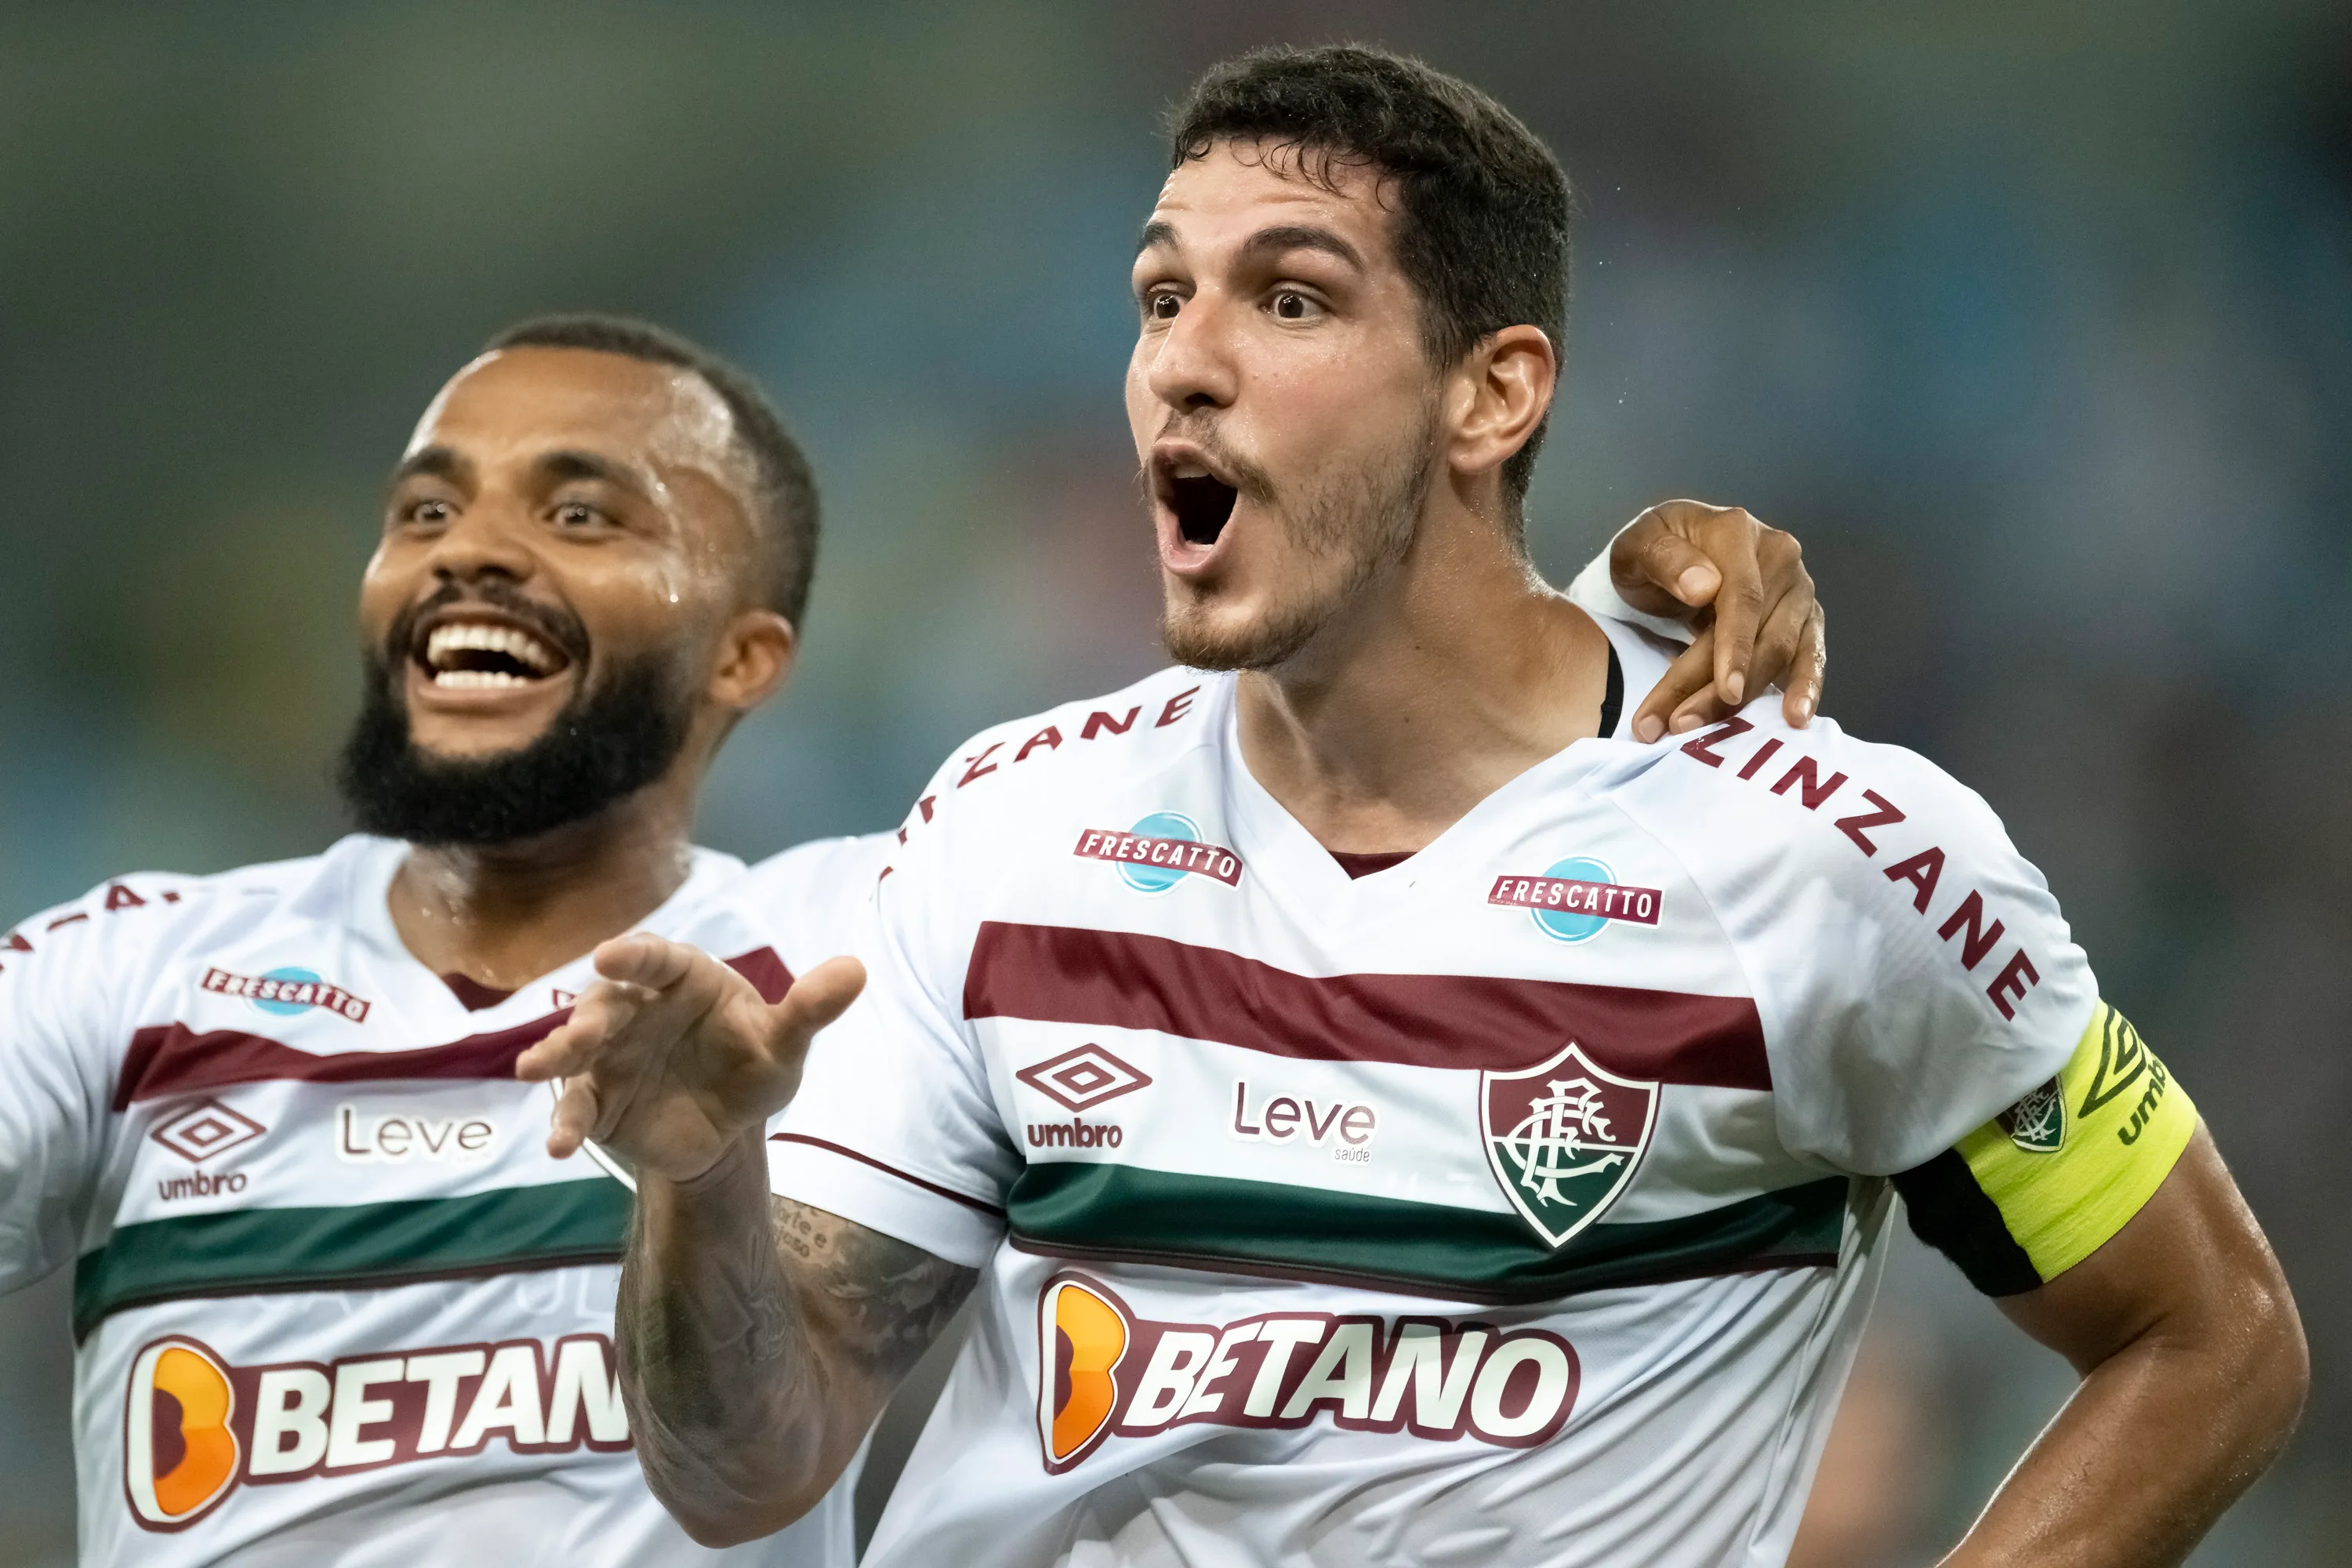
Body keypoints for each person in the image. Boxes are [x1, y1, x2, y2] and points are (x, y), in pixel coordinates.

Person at [524, 45, 2310, 1568]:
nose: (1184, 361)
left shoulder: (1825, 858)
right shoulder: (1009, 829)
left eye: (1288, 297)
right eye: (1161, 296)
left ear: (1494, 391)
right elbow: (746, 1464)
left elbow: (2207, 1336)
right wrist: (700, 1178)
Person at [0, 307, 1821, 1563]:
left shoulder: (899, 922)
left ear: (749, 657)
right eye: (424, 510)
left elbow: (1368, 795)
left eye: (580, 513)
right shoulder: (128, 973)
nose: (471, 551)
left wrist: (1610, 607)